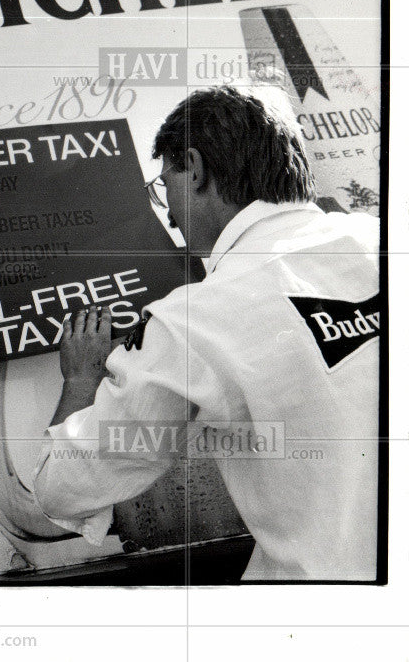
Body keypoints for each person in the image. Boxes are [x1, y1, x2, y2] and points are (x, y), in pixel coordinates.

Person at [32, 85, 380, 581]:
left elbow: (60, 486)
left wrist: (81, 381)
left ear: (193, 169)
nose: (168, 212)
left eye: (164, 184)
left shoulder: (192, 321)